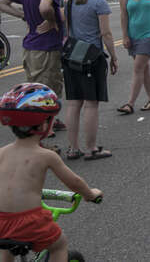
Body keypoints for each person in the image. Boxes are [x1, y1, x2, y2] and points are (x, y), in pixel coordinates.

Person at [0, 83, 102, 262]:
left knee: (7, 247)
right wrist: (89, 194)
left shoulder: (2, 152)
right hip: (29, 221)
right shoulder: (45, 155)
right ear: (43, 125)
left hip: (2, 220)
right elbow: (74, 182)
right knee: (59, 245)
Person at [0, 0, 70, 134]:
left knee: (36, 86)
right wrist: (54, 21)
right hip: (46, 47)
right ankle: (43, 130)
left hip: (30, 46)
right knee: (45, 91)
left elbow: (3, 2)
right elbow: (45, 7)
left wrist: (24, 16)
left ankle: (49, 121)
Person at [62, 0, 119, 161]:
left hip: (72, 56)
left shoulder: (70, 2)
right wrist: (114, 56)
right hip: (92, 57)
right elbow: (106, 33)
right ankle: (91, 148)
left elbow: (68, 31)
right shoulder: (99, 3)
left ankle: (72, 148)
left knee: (73, 103)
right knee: (91, 104)